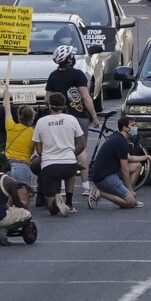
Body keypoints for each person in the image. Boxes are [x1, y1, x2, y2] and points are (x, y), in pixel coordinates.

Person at [45, 45, 100, 195]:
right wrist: (94, 117)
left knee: (63, 149)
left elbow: (47, 98)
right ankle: (85, 186)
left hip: (59, 117)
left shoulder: (53, 76)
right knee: (81, 149)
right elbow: (85, 97)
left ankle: (62, 187)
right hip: (79, 116)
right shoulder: (78, 74)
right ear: (70, 59)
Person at [32, 92, 85, 215]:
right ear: (64, 105)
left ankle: (55, 202)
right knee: (70, 175)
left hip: (49, 165)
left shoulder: (41, 121)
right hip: (69, 163)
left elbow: (39, 150)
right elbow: (82, 144)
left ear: (49, 106)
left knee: (51, 209)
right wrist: (72, 154)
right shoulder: (72, 119)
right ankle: (70, 203)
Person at [90, 114, 151, 209]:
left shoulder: (119, 137)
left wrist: (147, 157)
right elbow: (125, 168)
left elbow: (128, 158)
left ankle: (125, 194)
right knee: (130, 203)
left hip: (110, 171)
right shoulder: (121, 142)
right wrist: (130, 190)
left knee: (137, 166)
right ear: (125, 128)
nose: (135, 128)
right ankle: (100, 193)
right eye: (133, 126)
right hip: (103, 177)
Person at [2, 88, 38, 188]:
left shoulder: (11, 126)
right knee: (22, 196)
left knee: (6, 194)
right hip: (23, 166)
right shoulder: (34, 133)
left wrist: (6, 96)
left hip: (7, 164)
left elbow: (7, 109)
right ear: (32, 118)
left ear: (19, 116)